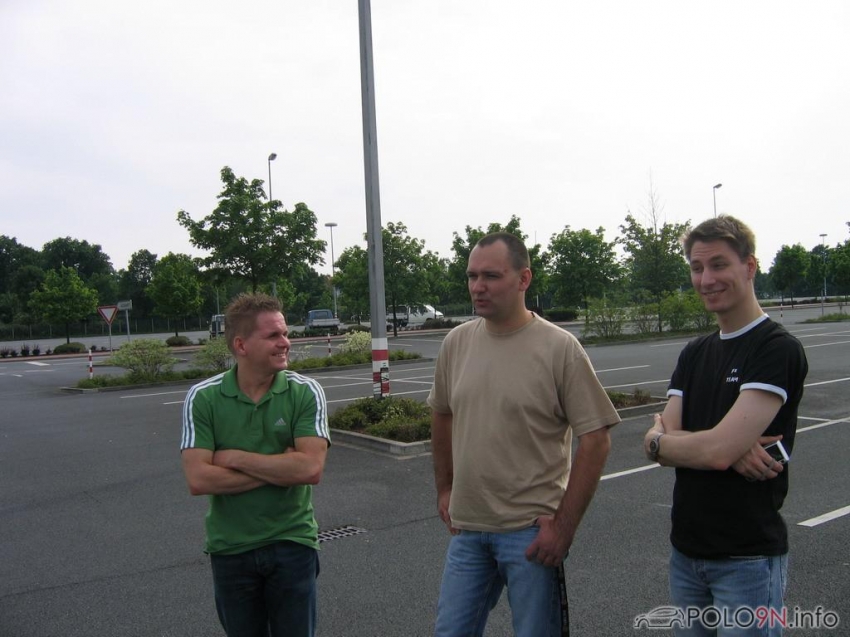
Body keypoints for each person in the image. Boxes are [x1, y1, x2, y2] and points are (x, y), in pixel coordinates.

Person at [428, 232, 621, 636]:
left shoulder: (559, 348)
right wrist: (445, 488)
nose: (478, 287)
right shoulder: (456, 343)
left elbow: (596, 438)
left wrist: (564, 527)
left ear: (523, 279)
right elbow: (442, 415)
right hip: (468, 530)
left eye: (491, 276)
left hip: (530, 533)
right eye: (472, 276)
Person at [643, 215, 808, 636]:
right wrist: (714, 446)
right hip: (686, 553)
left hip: (747, 560)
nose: (706, 279)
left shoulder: (775, 348)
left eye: (718, 265)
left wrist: (666, 441)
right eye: (697, 268)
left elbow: (709, 450)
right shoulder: (694, 352)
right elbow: (694, 447)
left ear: (749, 267)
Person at [181, 293, 330, 637]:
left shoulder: (305, 392)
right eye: (273, 335)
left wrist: (234, 459)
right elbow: (198, 478)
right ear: (241, 345)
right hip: (231, 548)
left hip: (293, 542)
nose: (285, 342)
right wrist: (283, 467)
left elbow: (310, 470)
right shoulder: (203, 397)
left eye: (285, 333)